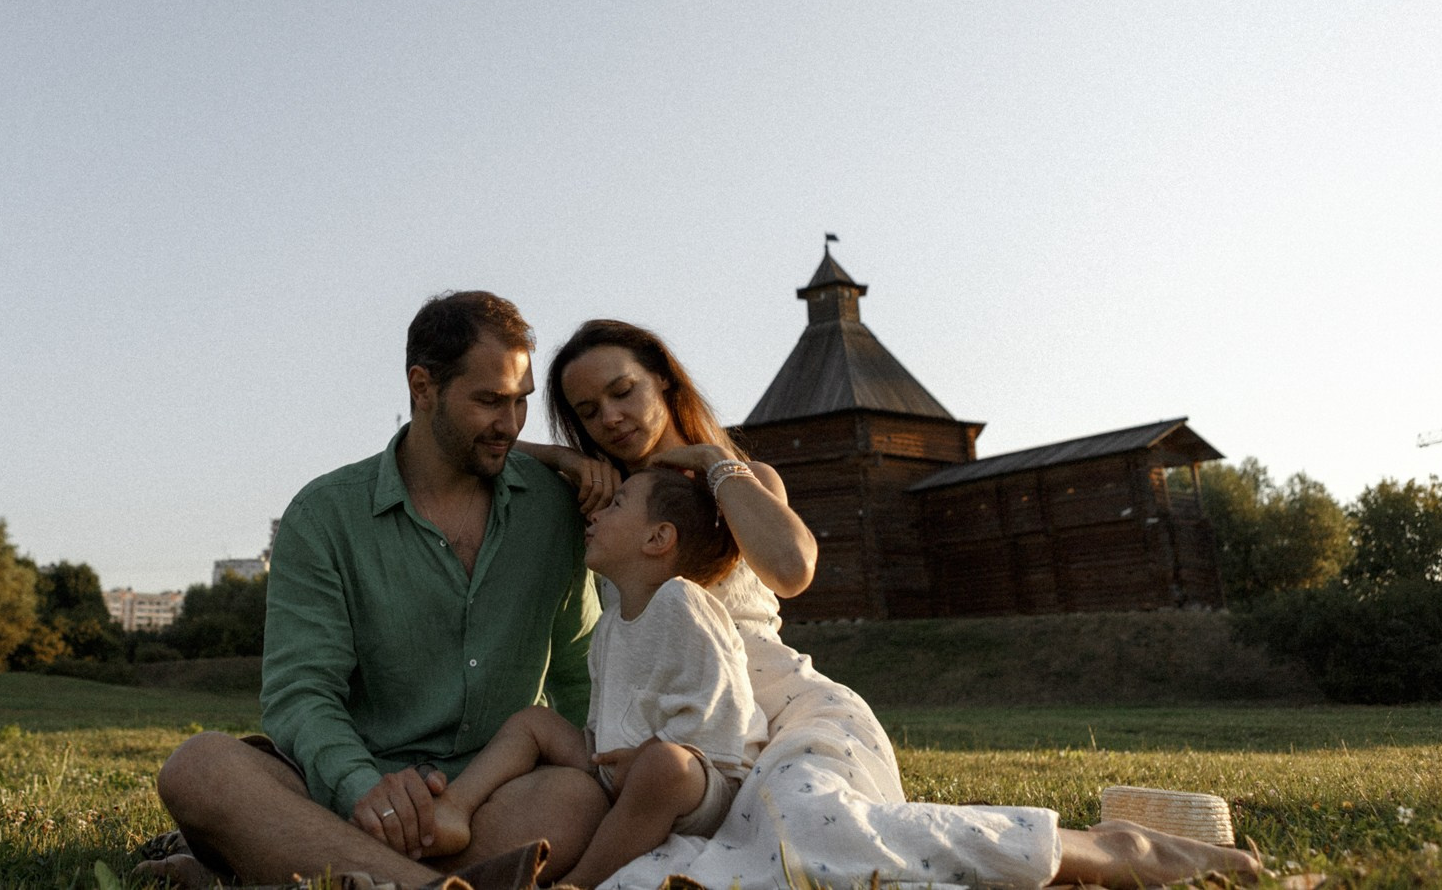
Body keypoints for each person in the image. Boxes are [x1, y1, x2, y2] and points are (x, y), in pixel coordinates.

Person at [513, 318, 1263, 890]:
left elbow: (791, 567)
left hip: (783, 713)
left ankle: (1110, 849)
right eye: (588, 411)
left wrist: (714, 462)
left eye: (623, 391)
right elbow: (489, 448)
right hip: (689, 736)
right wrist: (563, 459)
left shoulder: (738, 478)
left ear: (664, 384)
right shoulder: (609, 509)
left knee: (813, 828)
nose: (610, 416)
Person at [140, 292, 606, 890]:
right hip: (341, 794)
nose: (510, 425)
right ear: (422, 386)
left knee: (574, 799)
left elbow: (579, 674)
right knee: (199, 769)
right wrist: (366, 790)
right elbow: (301, 693)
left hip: (486, 798)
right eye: (489, 401)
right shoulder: (324, 515)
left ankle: (285, 873)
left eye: (521, 403)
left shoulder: (553, 511)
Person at [430, 466, 767, 889]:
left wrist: (649, 752)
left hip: (698, 779)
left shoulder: (681, 603)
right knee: (536, 721)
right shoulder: (609, 625)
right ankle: (454, 807)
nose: (594, 515)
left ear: (657, 538)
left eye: (616, 506)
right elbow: (605, 711)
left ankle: (579, 882)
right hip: (618, 769)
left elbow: (723, 705)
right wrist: (599, 749)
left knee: (663, 767)